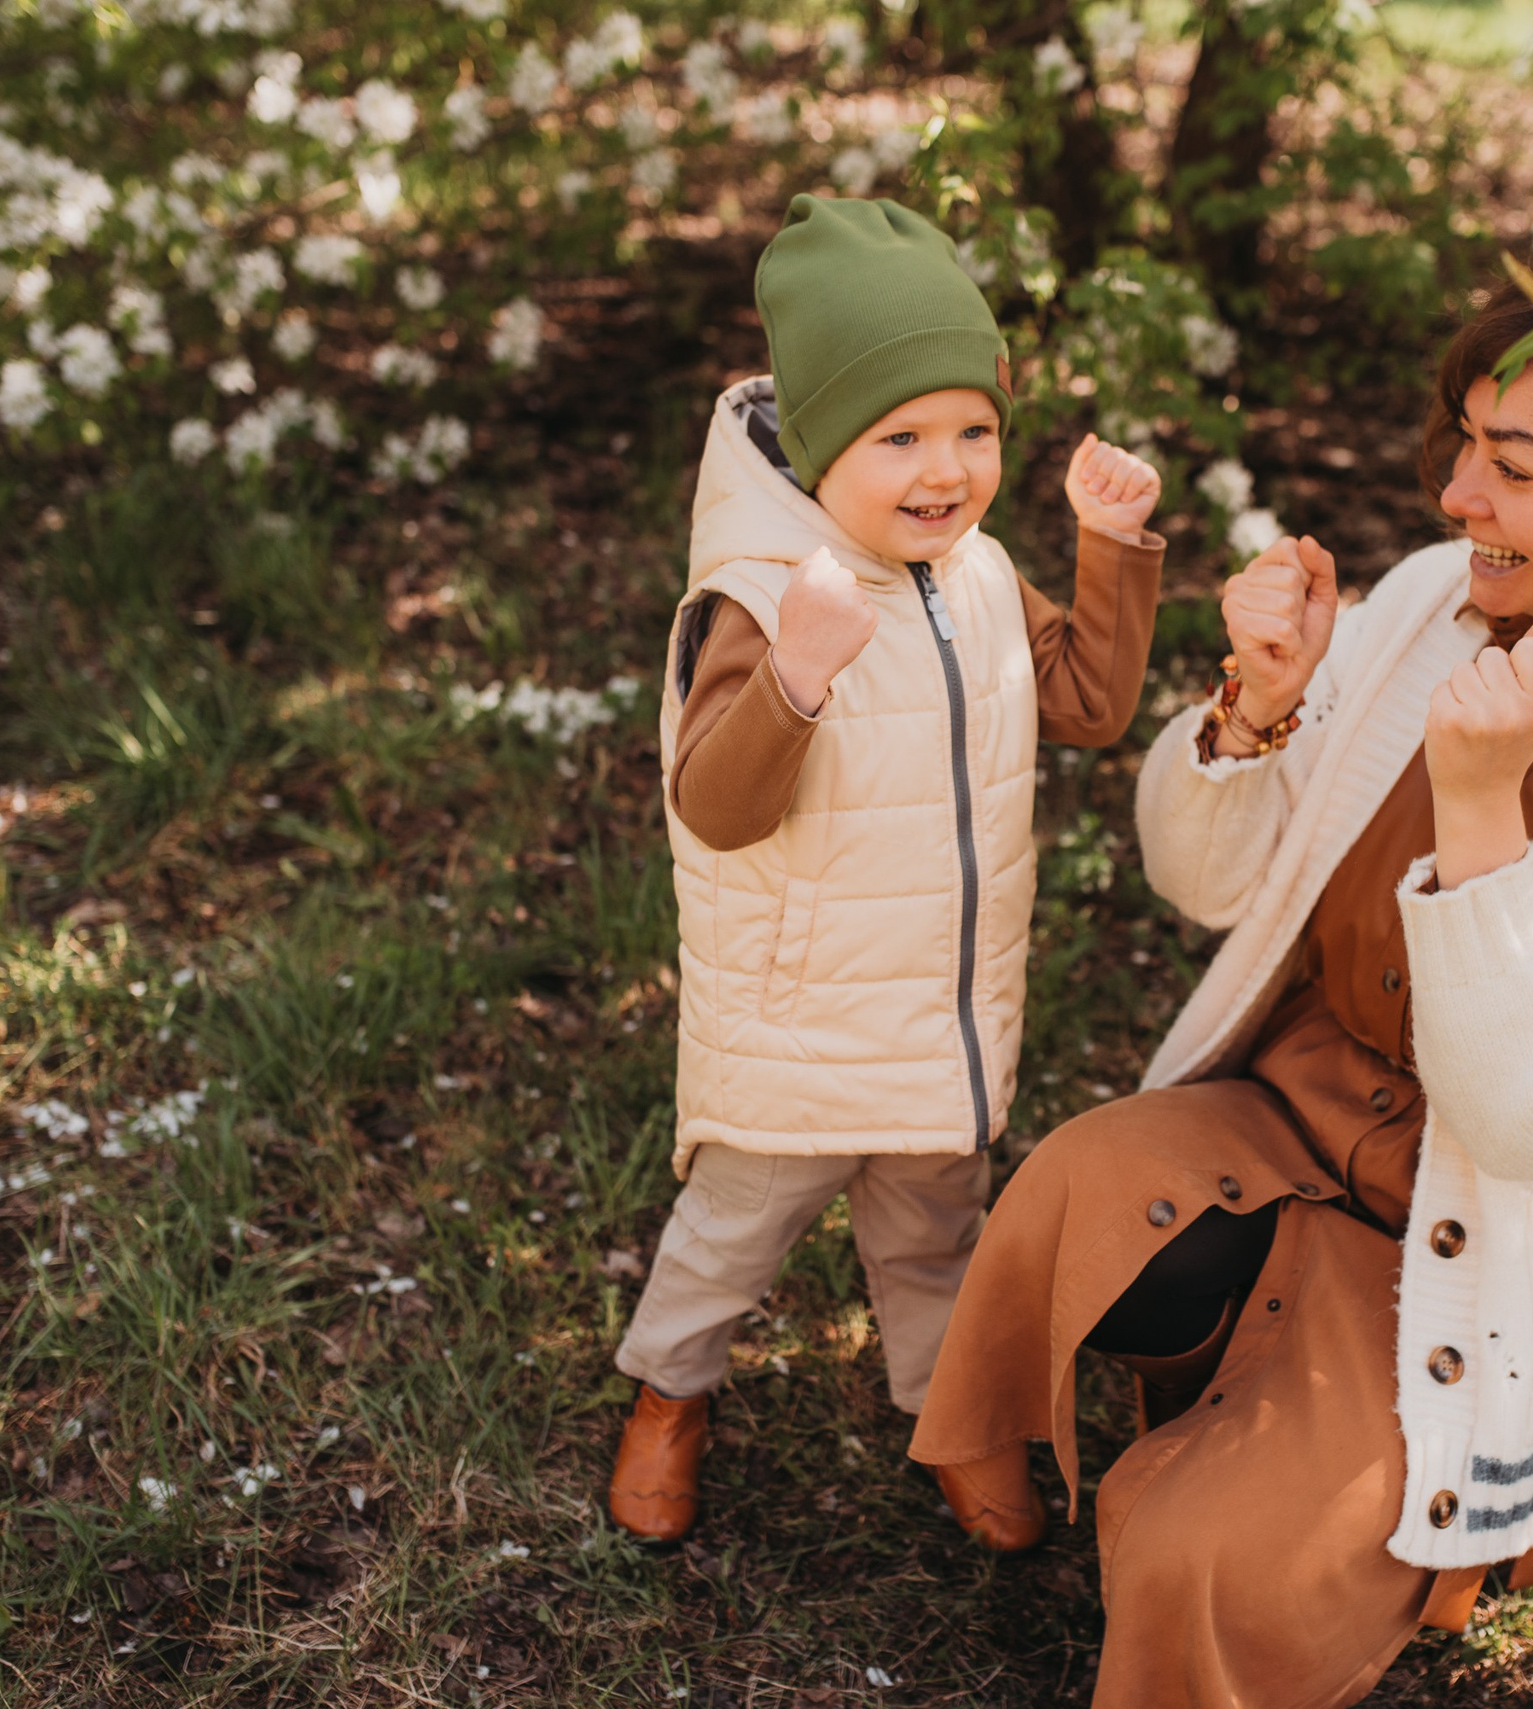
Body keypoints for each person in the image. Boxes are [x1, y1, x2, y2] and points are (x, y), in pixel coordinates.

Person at [908, 241, 1533, 1707]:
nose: (1456, 496)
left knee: (1196, 1563)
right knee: (1071, 1194)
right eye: (1463, 445)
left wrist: (1482, 817)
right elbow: (1201, 880)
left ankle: (1436, 1513)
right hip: (1289, 1110)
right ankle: (1237, 1391)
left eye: (1514, 464)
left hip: (1490, 1225)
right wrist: (1258, 713)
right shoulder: (1437, 599)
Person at [607, 194, 1164, 1550]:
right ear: (814, 444)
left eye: (972, 429)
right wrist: (797, 671)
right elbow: (717, 806)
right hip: (800, 1020)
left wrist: (1108, 553)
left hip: (942, 1014)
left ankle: (954, 1417)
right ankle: (667, 1397)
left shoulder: (975, 574)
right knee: (733, 1231)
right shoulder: (758, 592)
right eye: (899, 436)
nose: (945, 468)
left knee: (934, 1241)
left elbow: (1085, 702)